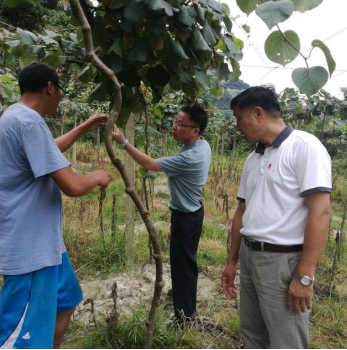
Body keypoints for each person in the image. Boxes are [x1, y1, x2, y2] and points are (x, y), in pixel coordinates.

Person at [0, 62, 109, 349]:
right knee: (21, 339)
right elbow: (72, 186)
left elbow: (46, 150)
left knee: (65, 301)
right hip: (29, 250)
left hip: (47, 246)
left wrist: (84, 127)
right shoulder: (29, 121)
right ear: (49, 88)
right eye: (59, 91)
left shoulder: (15, 114)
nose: (59, 98)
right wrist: (96, 176)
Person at [221, 86, 332, 348]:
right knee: (253, 332)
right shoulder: (253, 158)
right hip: (250, 256)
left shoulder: (304, 147)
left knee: (286, 339)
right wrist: (232, 260)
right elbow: (242, 211)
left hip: (281, 261)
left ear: (258, 113)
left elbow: (321, 211)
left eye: (239, 118)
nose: (237, 127)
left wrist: (304, 276)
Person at [112, 105, 211, 324]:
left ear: (195, 130)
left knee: (184, 265)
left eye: (180, 124)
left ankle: (185, 317)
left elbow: (149, 164)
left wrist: (123, 142)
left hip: (187, 218)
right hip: (188, 214)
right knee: (179, 262)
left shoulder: (190, 157)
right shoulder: (202, 145)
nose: (174, 127)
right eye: (175, 122)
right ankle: (180, 301)